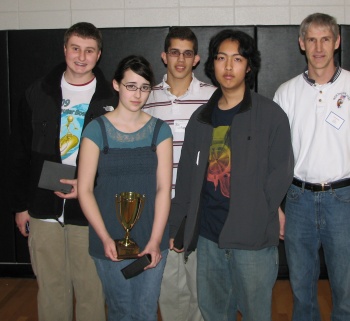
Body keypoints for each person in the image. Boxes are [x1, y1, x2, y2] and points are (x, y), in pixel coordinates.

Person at [169, 29, 294, 321]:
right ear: (212, 64)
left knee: (255, 313)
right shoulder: (201, 120)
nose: (228, 67)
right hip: (209, 237)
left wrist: (258, 214)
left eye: (237, 59)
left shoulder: (271, 115)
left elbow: (281, 173)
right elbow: (186, 179)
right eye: (221, 58)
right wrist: (178, 225)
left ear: (248, 66)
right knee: (213, 312)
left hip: (252, 241)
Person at [273, 13, 350, 321]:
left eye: (325, 39)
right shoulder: (286, 92)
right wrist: (275, 206)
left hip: (344, 201)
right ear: (301, 44)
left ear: (337, 42)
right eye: (311, 39)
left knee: (345, 293)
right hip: (297, 201)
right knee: (301, 293)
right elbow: (276, 156)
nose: (318, 47)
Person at [8, 22, 117, 321]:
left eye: (89, 50)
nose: (81, 56)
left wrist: (88, 184)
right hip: (43, 209)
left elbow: (119, 161)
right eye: (75, 48)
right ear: (64, 49)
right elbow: (19, 153)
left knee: (91, 291)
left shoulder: (112, 99)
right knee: (52, 289)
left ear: (99, 54)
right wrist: (20, 206)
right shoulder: (37, 92)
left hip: (90, 211)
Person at [77, 55, 173, 321]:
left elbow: (164, 188)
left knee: (145, 311)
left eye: (144, 87)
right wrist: (106, 238)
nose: (138, 94)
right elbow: (84, 190)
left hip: (151, 239)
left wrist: (156, 241)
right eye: (131, 86)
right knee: (120, 312)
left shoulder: (160, 131)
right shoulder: (96, 130)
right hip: (108, 239)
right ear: (117, 85)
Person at [143, 26, 215, 321]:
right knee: (170, 290)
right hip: (162, 207)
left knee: (203, 291)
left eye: (187, 53)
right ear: (164, 56)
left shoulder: (213, 98)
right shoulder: (146, 98)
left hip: (201, 208)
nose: (181, 60)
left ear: (196, 59)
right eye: (175, 52)